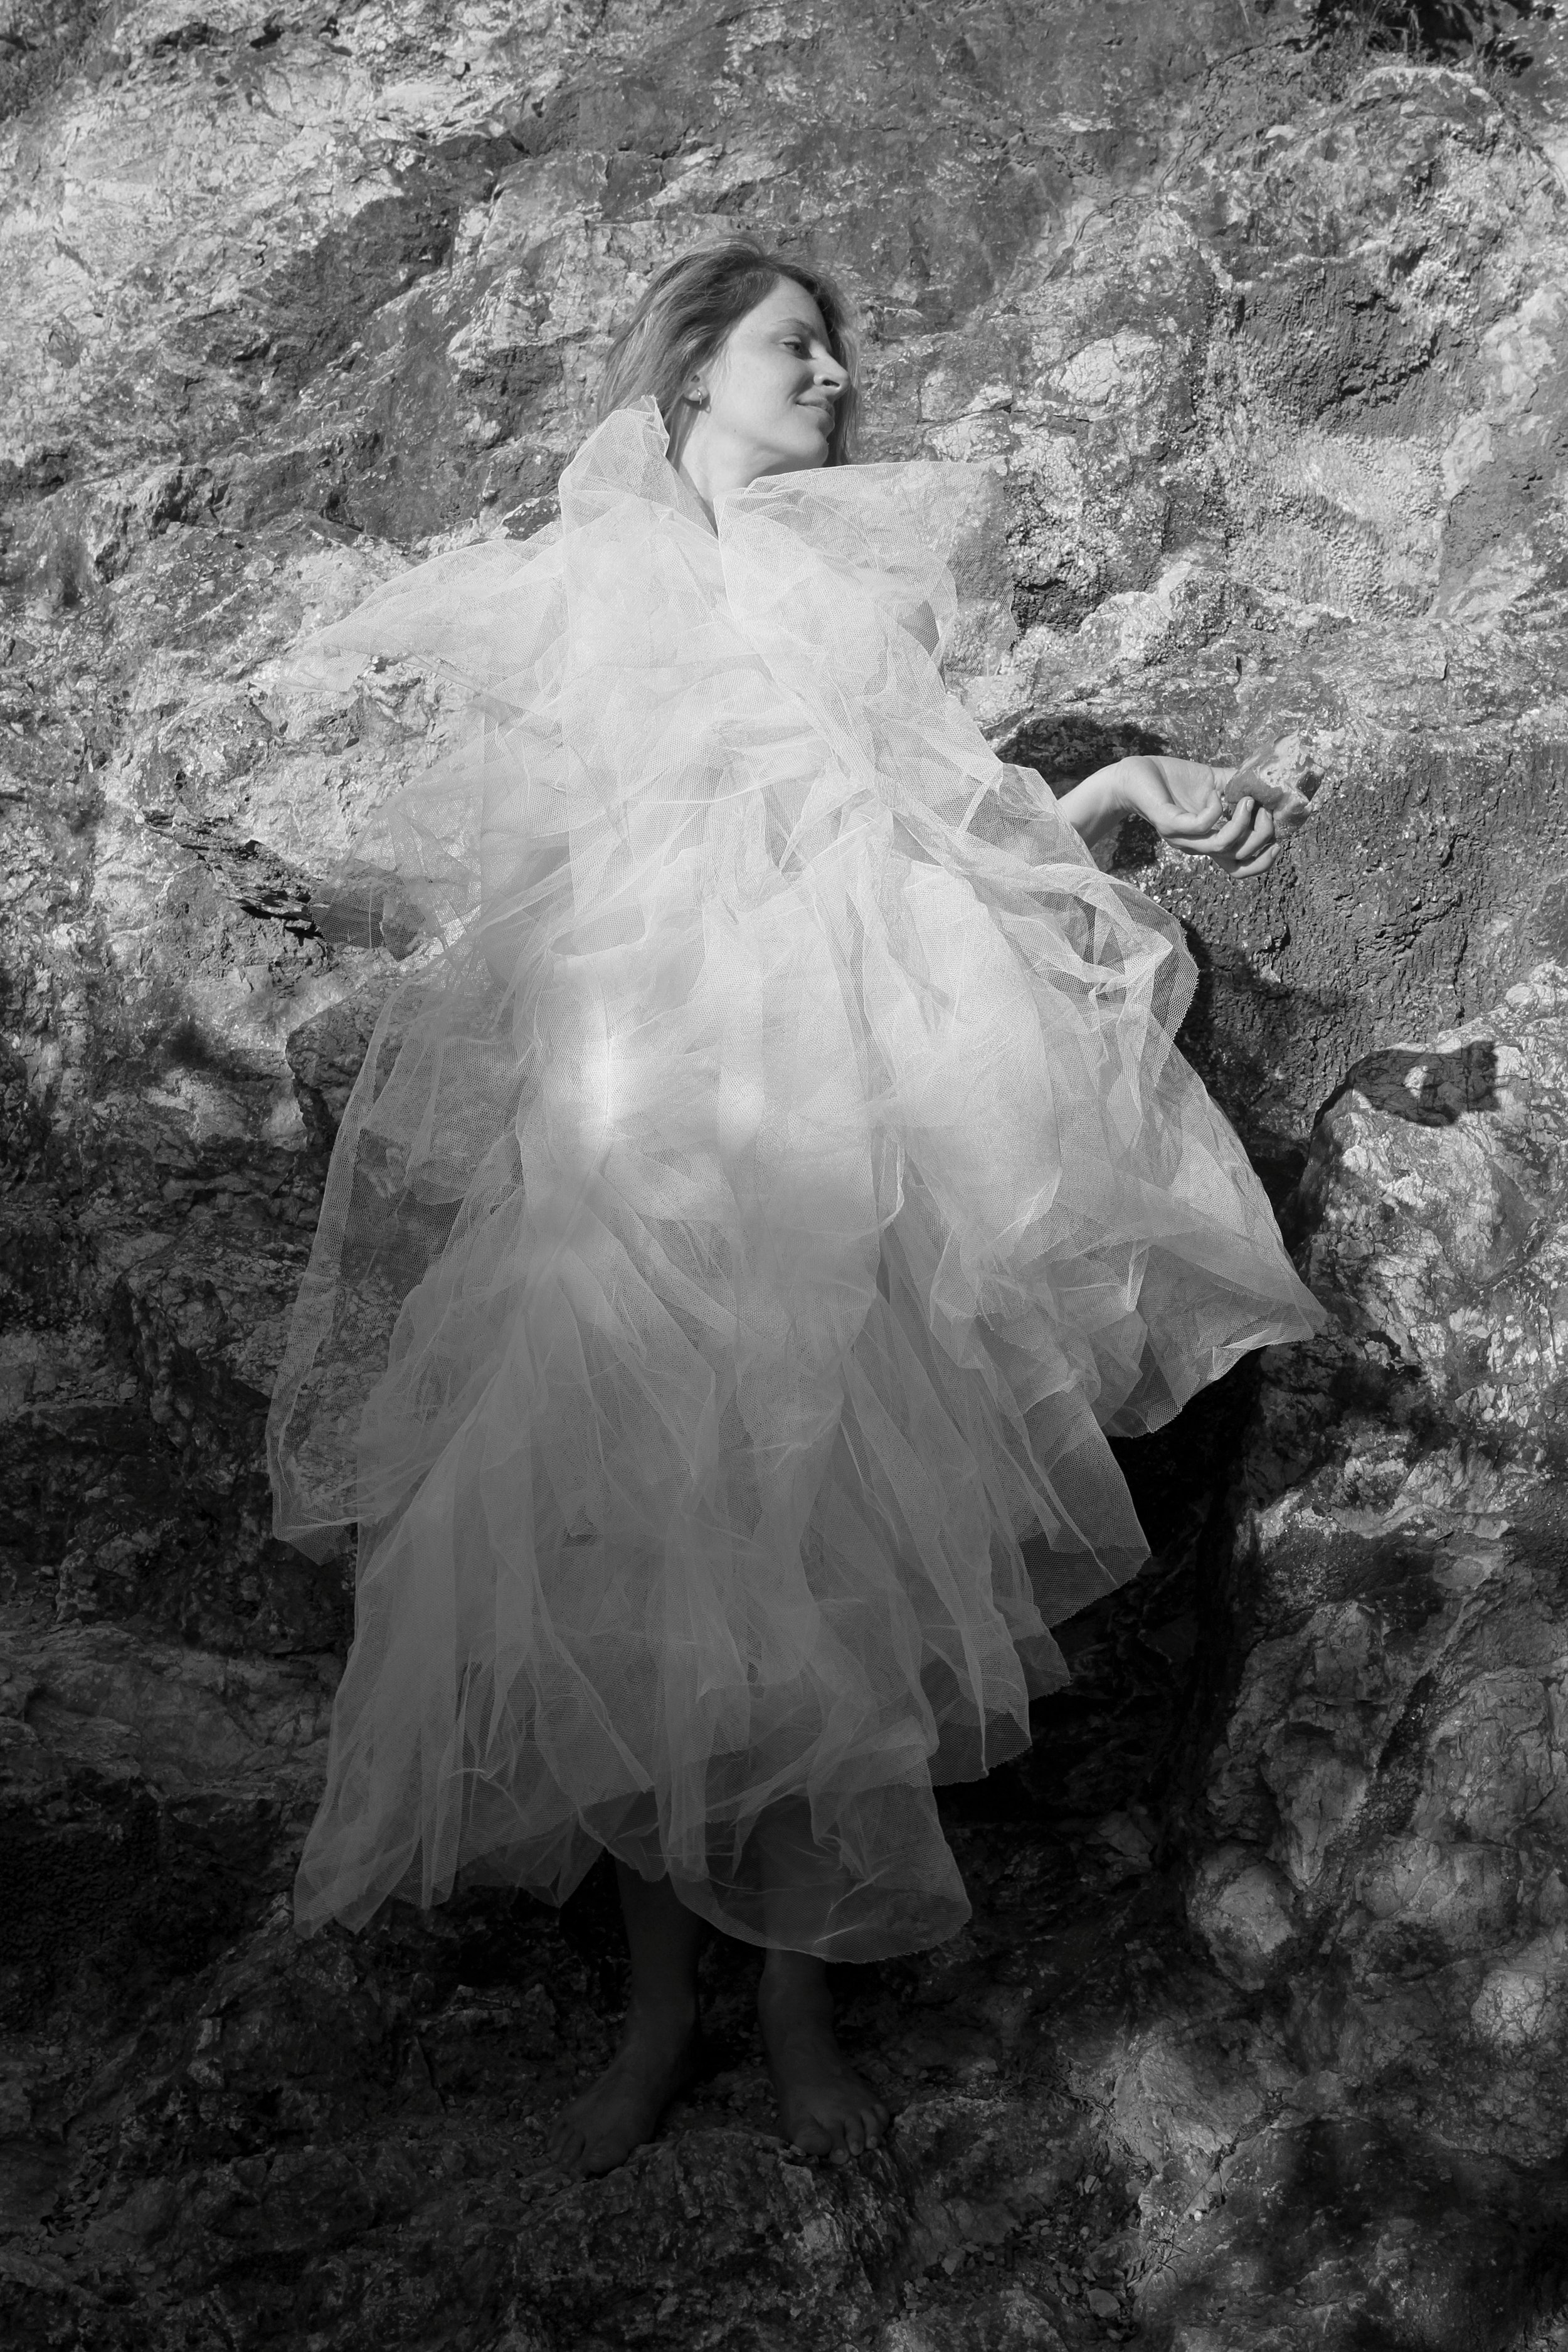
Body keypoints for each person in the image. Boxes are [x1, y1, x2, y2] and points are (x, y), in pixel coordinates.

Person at [265, 241, 1322, 2179]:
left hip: (840, 1100)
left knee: (821, 1539)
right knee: (646, 1561)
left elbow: (925, 821)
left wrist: (1118, 803)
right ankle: (659, 2015)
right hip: (648, 1104)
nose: (832, 366)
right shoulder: (595, 574)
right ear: (686, 373)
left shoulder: (850, 573)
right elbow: (543, 862)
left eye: (838, 340)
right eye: (787, 343)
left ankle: (792, 2002)